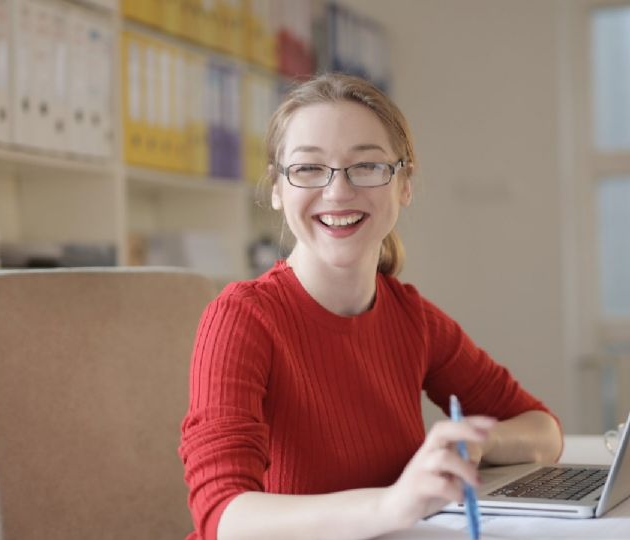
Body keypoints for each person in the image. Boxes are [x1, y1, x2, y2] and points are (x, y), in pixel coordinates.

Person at [179, 73, 563, 540]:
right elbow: (223, 517)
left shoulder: (412, 317)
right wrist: (393, 504)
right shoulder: (242, 318)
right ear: (278, 189)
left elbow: (544, 431)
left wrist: (476, 446)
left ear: (404, 184)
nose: (338, 192)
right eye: (308, 168)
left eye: (367, 166)